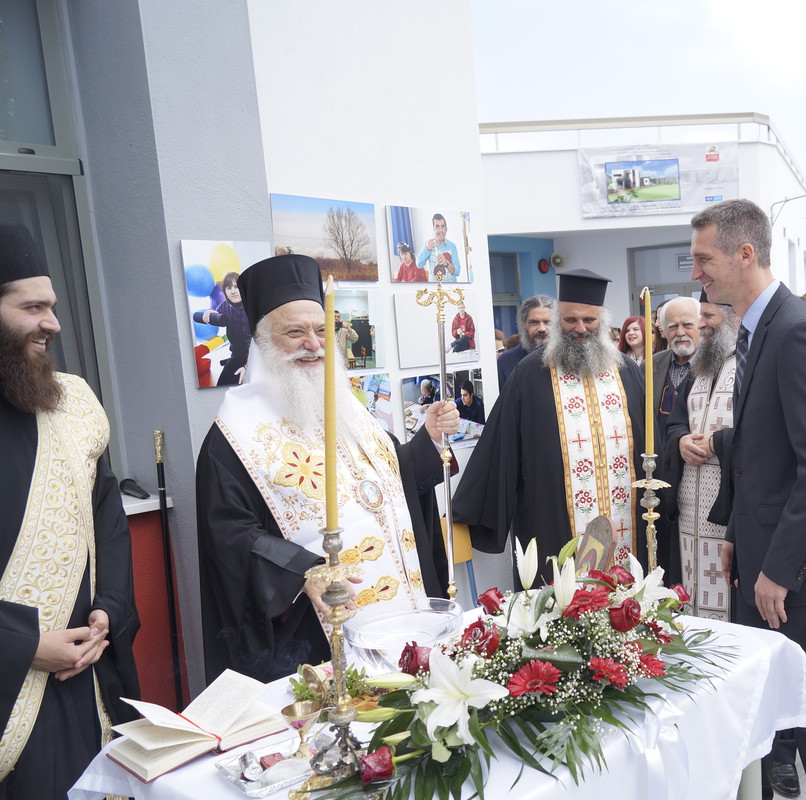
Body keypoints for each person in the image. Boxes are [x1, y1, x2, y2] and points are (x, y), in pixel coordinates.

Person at [195, 254, 459, 684]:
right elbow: (230, 536)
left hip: (405, 613)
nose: (314, 344)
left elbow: (385, 486)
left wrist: (427, 441)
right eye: (295, 332)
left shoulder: (347, 407)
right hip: (314, 631)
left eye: (321, 331)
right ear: (261, 340)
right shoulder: (232, 438)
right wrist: (301, 571)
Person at [688, 199, 806, 800]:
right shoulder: (758, 328)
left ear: (745, 253)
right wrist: (738, 535)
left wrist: (779, 568)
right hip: (766, 559)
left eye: (704, 258)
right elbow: (763, 452)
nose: (696, 272)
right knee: (764, 720)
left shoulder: (798, 330)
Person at [0, 223, 140, 797]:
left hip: (85, 669)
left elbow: (107, 520)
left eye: (53, 307)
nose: (53, 323)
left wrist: (109, 610)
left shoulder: (72, 403)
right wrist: (22, 648)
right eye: (33, 308)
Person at [454, 268, 648, 585]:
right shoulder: (530, 373)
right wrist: (470, 508)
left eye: (589, 320)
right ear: (558, 321)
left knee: (628, 594)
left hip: (626, 516)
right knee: (558, 597)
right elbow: (502, 443)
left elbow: (649, 443)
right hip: (552, 515)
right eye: (571, 320)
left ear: (602, 321)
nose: (580, 328)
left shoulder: (627, 371)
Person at [662, 291, 739, 621]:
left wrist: (717, 443)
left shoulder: (749, 366)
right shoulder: (699, 368)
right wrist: (680, 441)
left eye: (708, 316)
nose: (702, 324)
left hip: (727, 509)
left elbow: (763, 433)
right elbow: (674, 423)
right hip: (689, 511)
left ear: (733, 319)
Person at [653, 297, 701, 446]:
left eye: (687, 325)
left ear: (701, 325)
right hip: (658, 454)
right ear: (664, 330)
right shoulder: (650, 366)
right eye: (673, 327)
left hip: (696, 453)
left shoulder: (717, 365)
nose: (680, 332)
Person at [193, 271, 252, 385]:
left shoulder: (252, 306)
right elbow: (216, 313)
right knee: (222, 385)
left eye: (236, 287)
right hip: (237, 356)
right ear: (225, 291)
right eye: (229, 288)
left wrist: (247, 366)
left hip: (257, 357)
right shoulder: (225, 306)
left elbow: (262, 343)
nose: (233, 291)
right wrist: (209, 312)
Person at [496, 295, 554, 390]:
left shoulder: (569, 360)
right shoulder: (505, 362)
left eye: (547, 322)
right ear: (523, 324)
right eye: (534, 322)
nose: (542, 328)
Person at [417, 213, 460, 280]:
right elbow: (419, 265)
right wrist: (426, 248)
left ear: (446, 229)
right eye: (437, 226)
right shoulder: (428, 245)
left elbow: (457, 272)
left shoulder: (452, 246)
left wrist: (446, 263)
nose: (440, 230)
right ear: (433, 229)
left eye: (442, 226)